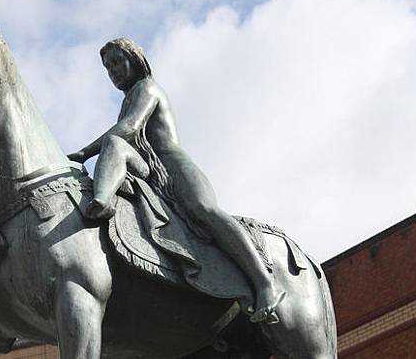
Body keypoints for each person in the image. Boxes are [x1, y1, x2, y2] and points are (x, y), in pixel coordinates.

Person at [68, 38, 284, 323]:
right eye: (108, 68)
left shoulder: (148, 88)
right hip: (151, 172)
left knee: (205, 210)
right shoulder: (126, 100)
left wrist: (84, 152)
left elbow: (130, 128)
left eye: (117, 62)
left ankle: (265, 282)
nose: (113, 71)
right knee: (114, 146)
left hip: (174, 167)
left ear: (135, 59)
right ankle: (102, 201)